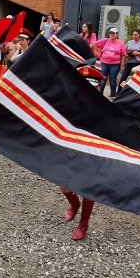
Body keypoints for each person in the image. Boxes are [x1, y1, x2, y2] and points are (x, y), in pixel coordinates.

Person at [58, 65, 105, 240]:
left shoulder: (104, 108)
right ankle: (74, 203)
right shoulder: (70, 103)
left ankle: (83, 224)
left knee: (88, 188)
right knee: (62, 182)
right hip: (72, 147)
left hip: (93, 150)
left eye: (90, 88)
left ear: (97, 88)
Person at [93, 27, 126, 97]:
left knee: (112, 80)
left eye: (113, 33)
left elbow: (123, 55)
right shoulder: (105, 40)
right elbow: (95, 44)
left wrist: (122, 65)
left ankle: (113, 95)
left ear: (117, 34)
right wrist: (100, 52)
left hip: (115, 64)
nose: (111, 35)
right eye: (110, 33)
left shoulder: (121, 43)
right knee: (103, 79)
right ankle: (100, 94)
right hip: (104, 63)